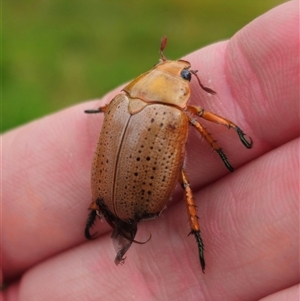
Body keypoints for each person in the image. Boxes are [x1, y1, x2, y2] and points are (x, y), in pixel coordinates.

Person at [1, 1, 299, 300]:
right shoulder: (173, 113)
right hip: (141, 193)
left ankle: (98, 208)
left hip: (119, 190)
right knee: (184, 178)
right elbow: (204, 126)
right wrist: (229, 133)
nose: (182, 73)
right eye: (182, 75)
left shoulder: (119, 103)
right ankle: (193, 232)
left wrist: (232, 129)